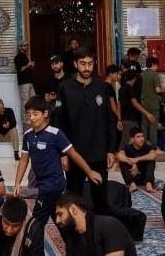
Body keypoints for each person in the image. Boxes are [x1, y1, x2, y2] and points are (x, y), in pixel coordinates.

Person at [13, 95, 102, 236]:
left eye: (35, 114)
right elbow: (24, 160)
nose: (32, 118)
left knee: (35, 224)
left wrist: (89, 172)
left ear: (45, 114)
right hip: (42, 184)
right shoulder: (28, 135)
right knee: (61, 219)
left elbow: (73, 154)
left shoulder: (55, 134)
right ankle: (76, 242)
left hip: (53, 184)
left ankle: (34, 246)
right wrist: (17, 182)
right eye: (29, 114)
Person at [57, 48, 116, 215]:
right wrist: (63, 153)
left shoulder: (102, 87)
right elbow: (59, 122)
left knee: (100, 200)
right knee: (74, 200)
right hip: (74, 153)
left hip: (99, 153)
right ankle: (75, 231)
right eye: (82, 64)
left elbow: (110, 119)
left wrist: (111, 149)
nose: (87, 68)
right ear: (75, 64)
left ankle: (101, 229)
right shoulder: (65, 87)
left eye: (90, 63)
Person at [54, 191, 136, 256]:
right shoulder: (72, 236)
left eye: (60, 214)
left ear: (73, 210)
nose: (57, 220)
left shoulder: (109, 226)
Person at [117, 126, 161, 194]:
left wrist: (136, 159)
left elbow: (154, 155)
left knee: (151, 160)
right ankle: (132, 185)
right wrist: (132, 163)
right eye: (138, 137)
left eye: (142, 136)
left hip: (144, 178)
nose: (141, 139)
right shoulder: (127, 147)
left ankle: (148, 184)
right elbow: (119, 156)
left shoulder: (147, 147)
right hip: (132, 176)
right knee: (122, 161)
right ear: (132, 139)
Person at [139, 57, 164, 145]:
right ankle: (153, 147)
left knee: (144, 128)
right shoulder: (155, 75)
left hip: (143, 105)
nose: (157, 67)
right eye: (156, 65)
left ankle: (142, 146)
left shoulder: (141, 75)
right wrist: (163, 89)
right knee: (153, 128)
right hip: (153, 105)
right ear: (153, 64)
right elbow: (157, 90)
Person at [117, 70, 143, 150]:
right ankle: (122, 155)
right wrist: (147, 113)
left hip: (124, 118)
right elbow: (135, 103)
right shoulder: (130, 88)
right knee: (130, 140)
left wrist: (119, 119)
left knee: (125, 139)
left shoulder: (121, 89)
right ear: (134, 79)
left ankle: (122, 154)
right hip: (131, 118)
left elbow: (119, 105)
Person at [14, 43, 36, 110]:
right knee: (25, 103)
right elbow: (20, 69)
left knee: (33, 101)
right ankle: (24, 117)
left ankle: (32, 116)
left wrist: (31, 66)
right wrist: (28, 65)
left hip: (30, 82)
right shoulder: (17, 57)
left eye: (27, 45)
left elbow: (28, 69)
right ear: (20, 47)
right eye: (24, 45)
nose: (26, 47)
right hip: (23, 83)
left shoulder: (27, 56)